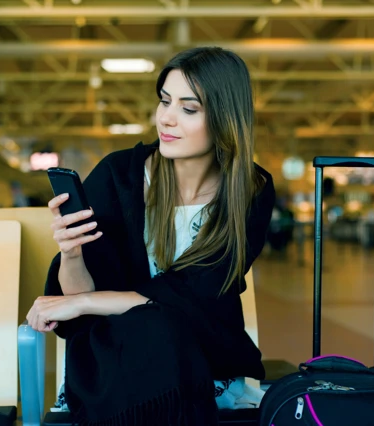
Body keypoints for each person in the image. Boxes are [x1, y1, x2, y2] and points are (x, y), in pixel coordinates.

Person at [26, 47, 276, 426]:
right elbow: (78, 309)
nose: (167, 119)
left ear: (225, 119)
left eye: (188, 109)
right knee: (151, 326)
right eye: (164, 101)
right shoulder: (118, 176)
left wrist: (88, 302)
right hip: (119, 361)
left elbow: (198, 295)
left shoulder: (249, 190)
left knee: (162, 323)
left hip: (203, 357)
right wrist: (72, 256)